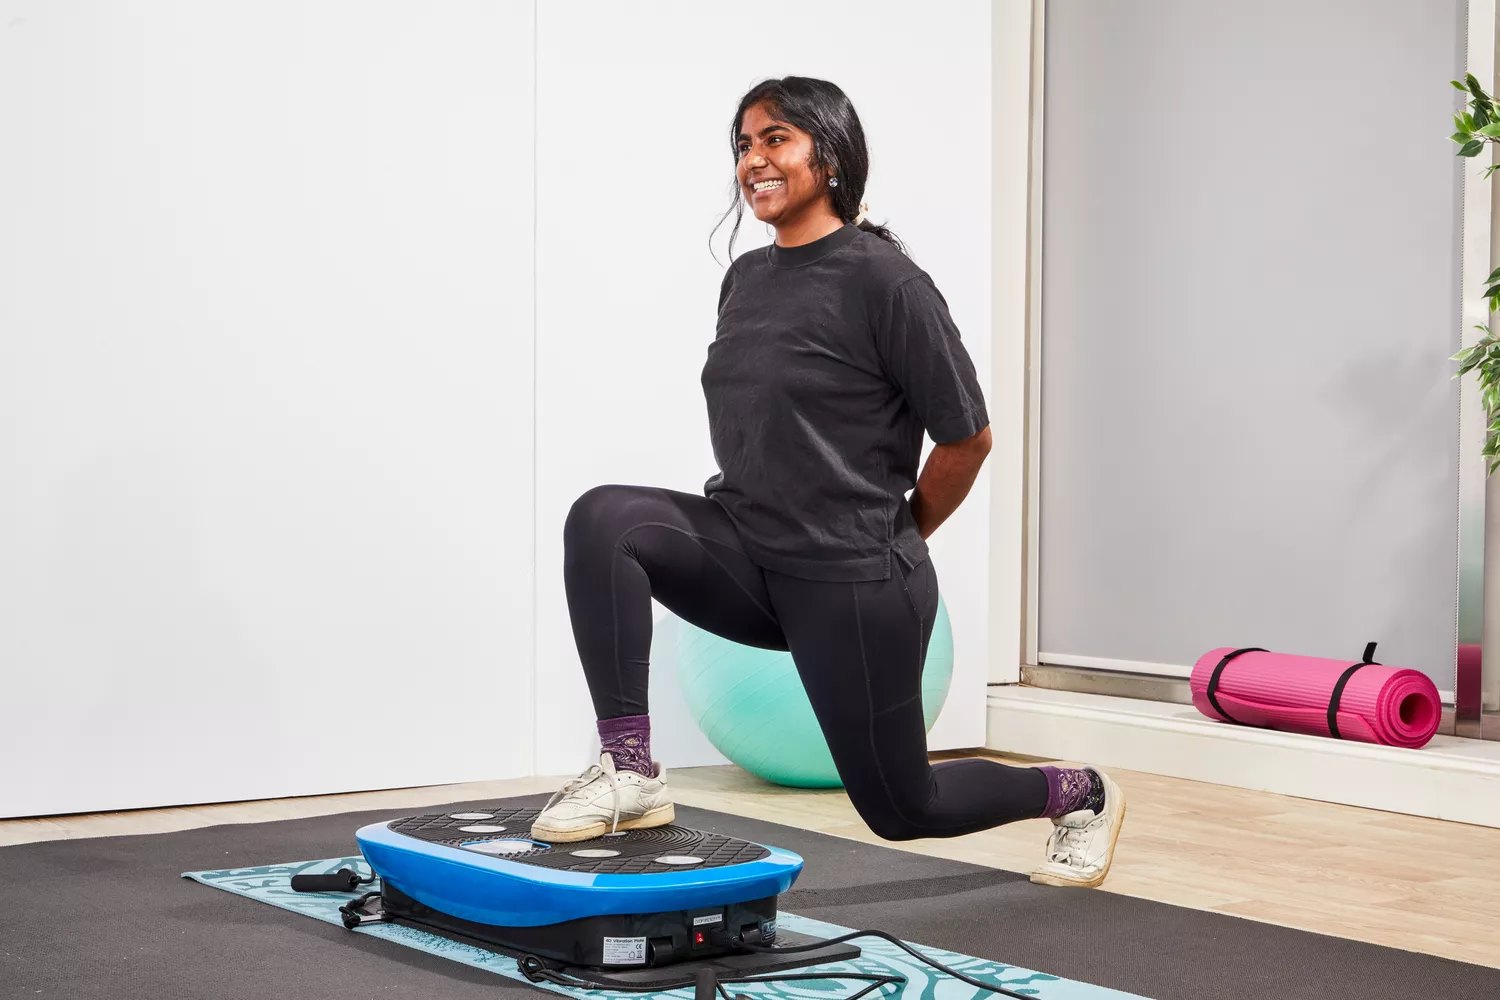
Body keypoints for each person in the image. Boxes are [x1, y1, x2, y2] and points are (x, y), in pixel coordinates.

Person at [529, 76, 1125, 888]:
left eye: (775, 139)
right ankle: (630, 768)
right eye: (743, 144)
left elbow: (968, 438)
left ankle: (1080, 792)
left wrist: (896, 533)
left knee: (903, 808)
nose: (753, 161)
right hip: (749, 552)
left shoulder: (888, 283)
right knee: (605, 520)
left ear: (831, 155)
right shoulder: (744, 280)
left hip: (853, 581)